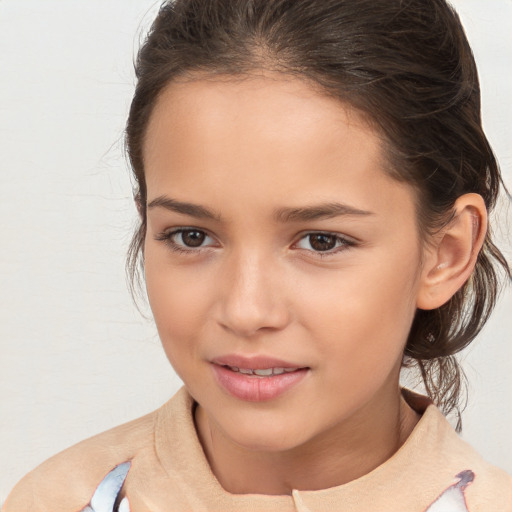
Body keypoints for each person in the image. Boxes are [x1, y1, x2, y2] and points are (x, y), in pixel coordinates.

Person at [3, 0, 511, 510]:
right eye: (191, 236)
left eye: (321, 241)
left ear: (446, 253)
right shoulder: (54, 500)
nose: (246, 311)